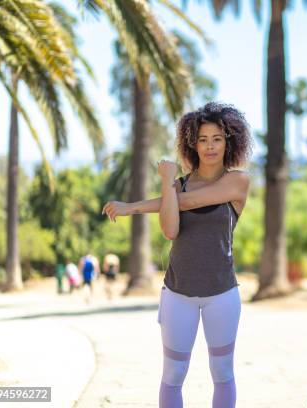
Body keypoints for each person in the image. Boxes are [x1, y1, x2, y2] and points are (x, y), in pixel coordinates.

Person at [102, 102, 252, 408]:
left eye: (217, 139)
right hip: (177, 293)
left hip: (222, 293)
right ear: (191, 144)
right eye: (202, 139)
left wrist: (133, 206)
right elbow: (170, 229)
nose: (210, 146)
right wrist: (167, 185)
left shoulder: (238, 181)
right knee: (173, 373)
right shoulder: (176, 187)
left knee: (222, 371)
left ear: (229, 142)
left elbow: (188, 202)